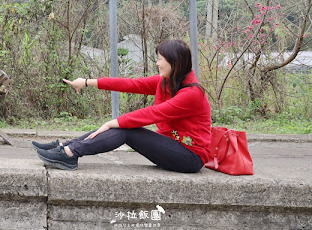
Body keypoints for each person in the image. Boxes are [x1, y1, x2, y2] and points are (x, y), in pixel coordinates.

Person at [32, 39, 211, 173]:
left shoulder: (192, 94)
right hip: (172, 146)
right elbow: (130, 84)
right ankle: (66, 146)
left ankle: (70, 153)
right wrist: (87, 82)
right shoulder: (167, 82)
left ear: (175, 63)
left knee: (126, 130)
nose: (157, 63)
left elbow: (155, 113)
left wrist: (113, 122)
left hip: (190, 156)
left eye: (160, 59)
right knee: (125, 127)